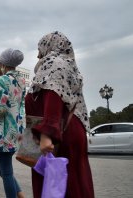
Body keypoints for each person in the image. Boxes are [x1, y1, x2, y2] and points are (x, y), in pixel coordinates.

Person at [25, 31, 94, 197]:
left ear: (50, 46)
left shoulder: (54, 63)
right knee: (74, 180)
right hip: (68, 130)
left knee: (56, 185)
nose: (37, 55)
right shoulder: (68, 65)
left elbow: (53, 93)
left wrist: (47, 133)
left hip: (58, 133)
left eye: (40, 49)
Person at [0, 48, 26, 198]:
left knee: (5, 171)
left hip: (3, 131)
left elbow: (0, 109)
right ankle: (21, 195)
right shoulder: (22, 81)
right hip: (16, 128)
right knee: (1, 167)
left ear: (3, 63)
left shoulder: (1, 81)